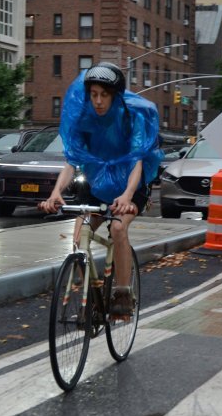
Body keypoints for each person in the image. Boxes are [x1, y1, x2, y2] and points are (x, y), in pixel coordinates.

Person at [38, 62, 162, 319]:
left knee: (117, 228)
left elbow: (137, 160)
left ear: (115, 95)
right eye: (93, 94)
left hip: (131, 184)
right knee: (78, 238)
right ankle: (92, 295)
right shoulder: (83, 119)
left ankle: (123, 292)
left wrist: (127, 196)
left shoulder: (131, 116)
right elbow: (72, 161)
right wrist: (56, 193)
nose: (98, 101)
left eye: (104, 95)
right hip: (97, 185)